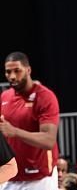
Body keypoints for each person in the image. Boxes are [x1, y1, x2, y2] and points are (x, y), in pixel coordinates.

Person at [0, 51, 59, 190]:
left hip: (39, 178)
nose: (12, 76)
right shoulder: (4, 96)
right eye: (8, 72)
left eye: (17, 71)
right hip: (10, 176)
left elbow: (48, 140)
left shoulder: (45, 97)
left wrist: (14, 131)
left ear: (28, 70)